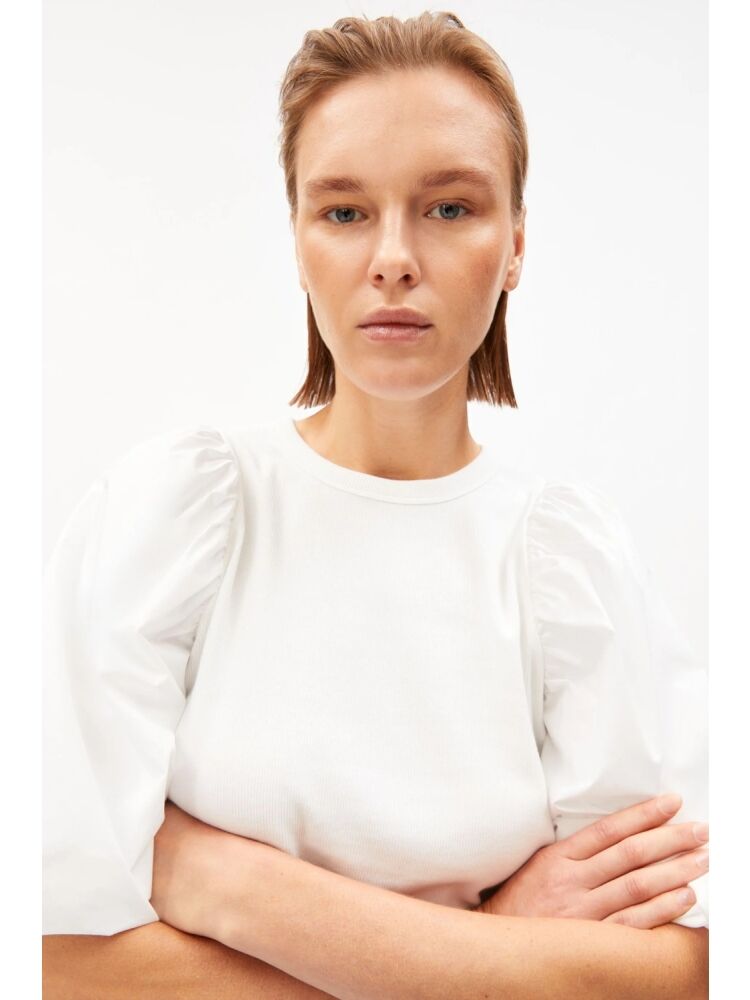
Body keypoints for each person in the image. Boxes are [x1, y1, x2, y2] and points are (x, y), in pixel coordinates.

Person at [42, 11, 708, 999]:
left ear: (516, 246)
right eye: (346, 212)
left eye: (449, 207)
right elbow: (52, 960)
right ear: (297, 239)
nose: (393, 257)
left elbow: (689, 965)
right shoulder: (174, 517)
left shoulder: (570, 563)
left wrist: (222, 882)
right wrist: (489, 943)